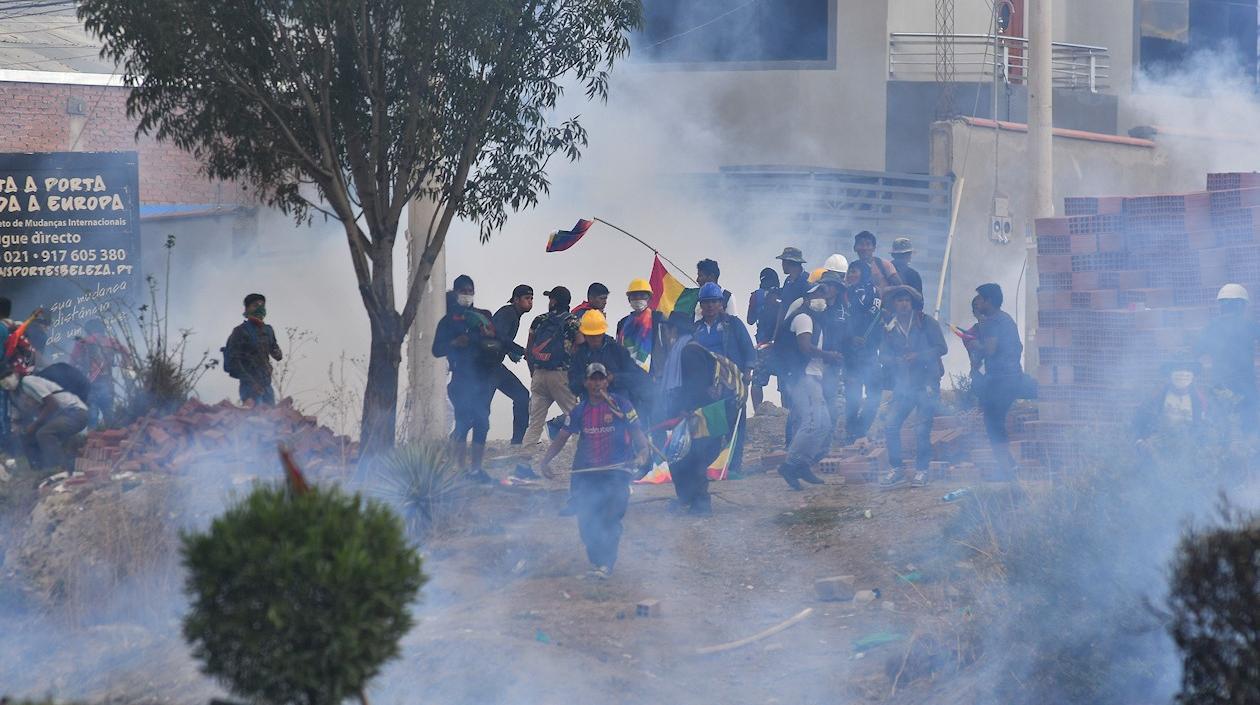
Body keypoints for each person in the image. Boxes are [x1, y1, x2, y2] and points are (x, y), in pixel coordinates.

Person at [538, 362, 649, 580]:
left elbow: (638, 434)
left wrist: (643, 453)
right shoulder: (579, 411)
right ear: (586, 383)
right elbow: (562, 437)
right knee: (587, 522)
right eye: (593, 379)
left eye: (601, 378)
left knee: (610, 519)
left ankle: (605, 564)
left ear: (607, 380)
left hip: (617, 474)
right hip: (588, 474)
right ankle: (597, 563)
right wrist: (545, 461)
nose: (597, 383)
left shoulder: (622, 405)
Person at [432, 275, 499, 483]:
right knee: (462, 422)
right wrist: (454, 342)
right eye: (464, 291)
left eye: (470, 291)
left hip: (482, 379)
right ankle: (461, 471)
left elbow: (496, 342)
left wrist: (487, 335)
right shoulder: (448, 321)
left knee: (482, 423)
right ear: (455, 292)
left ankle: (476, 470)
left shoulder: (482, 317)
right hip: (461, 379)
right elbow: (436, 350)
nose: (467, 295)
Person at [879, 286, 947, 489]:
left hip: (926, 384)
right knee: (891, 425)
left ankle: (922, 470)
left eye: (906, 300)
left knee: (922, 429)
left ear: (912, 303)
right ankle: (896, 468)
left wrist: (918, 356)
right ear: (893, 305)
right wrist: (895, 361)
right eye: (899, 300)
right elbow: (882, 355)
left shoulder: (926, 323)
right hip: (904, 386)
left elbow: (942, 348)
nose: (903, 303)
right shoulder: (889, 328)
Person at [775, 283, 841, 489]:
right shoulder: (803, 317)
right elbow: (805, 348)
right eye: (818, 292)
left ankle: (803, 464)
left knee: (824, 424)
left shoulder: (816, 320)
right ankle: (790, 464)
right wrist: (829, 356)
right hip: (802, 377)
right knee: (812, 422)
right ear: (807, 298)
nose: (823, 296)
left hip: (812, 376)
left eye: (824, 291)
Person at [693, 282, 756, 475]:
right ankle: (712, 468)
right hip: (707, 386)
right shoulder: (695, 330)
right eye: (706, 302)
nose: (710, 306)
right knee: (711, 429)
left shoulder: (733, 324)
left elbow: (749, 350)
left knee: (735, 428)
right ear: (701, 305)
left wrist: (747, 373)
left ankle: (734, 468)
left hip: (732, 383)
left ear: (721, 303)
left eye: (714, 301)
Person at [971, 282, 1024, 480]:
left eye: (981, 299)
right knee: (995, 422)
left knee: (993, 423)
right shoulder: (1005, 319)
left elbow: (990, 349)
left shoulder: (993, 321)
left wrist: (976, 343)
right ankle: (1008, 465)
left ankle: (1006, 470)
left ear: (989, 301)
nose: (979, 303)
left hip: (1002, 381)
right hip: (1010, 378)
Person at [0, 361, 88, 473]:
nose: (6, 380)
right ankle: (39, 469)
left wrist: (34, 425)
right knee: (27, 436)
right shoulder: (12, 395)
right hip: (57, 418)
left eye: (8, 375)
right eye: (2, 378)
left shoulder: (28, 382)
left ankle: (60, 469)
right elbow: (15, 418)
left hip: (74, 412)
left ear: (16, 373)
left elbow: (52, 404)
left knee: (44, 433)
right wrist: (16, 429)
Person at [1195, 283, 1260, 434]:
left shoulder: (1210, 327)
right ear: (1242, 305)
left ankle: (1222, 452)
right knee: (1249, 424)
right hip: (1245, 383)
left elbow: (1196, 352)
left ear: (1221, 305)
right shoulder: (1249, 325)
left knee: (1220, 424)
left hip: (1219, 383)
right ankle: (1251, 452)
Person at [522, 287, 581, 449]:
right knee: (575, 418)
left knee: (534, 424)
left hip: (539, 374)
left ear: (554, 301)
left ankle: (524, 465)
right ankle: (581, 460)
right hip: (561, 376)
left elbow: (528, 350)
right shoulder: (572, 322)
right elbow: (581, 346)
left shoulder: (539, 320)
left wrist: (533, 373)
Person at [842, 260, 884, 444]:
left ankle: (860, 428)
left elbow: (869, 316)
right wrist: (850, 338)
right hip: (850, 355)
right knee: (853, 395)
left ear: (864, 273)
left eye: (854, 271)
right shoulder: (844, 293)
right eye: (849, 271)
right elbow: (843, 323)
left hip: (869, 353)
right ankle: (852, 433)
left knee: (875, 393)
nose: (850, 274)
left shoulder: (873, 292)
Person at [569, 310, 648, 409]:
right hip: (592, 410)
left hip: (619, 408)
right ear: (585, 335)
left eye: (598, 335)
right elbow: (573, 385)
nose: (595, 339)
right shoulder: (580, 355)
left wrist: (614, 378)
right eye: (591, 336)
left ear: (603, 333)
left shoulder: (617, 351)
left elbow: (638, 377)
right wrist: (586, 381)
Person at [1134, 361, 1214, 454]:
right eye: (1178, 369)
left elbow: (1209, 427)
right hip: (1160, 449)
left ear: (1192, 376)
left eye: (1187, 370)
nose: (1183, 374)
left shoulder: (1202, 401)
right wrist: (1140, 442)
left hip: (1191, 451)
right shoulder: (1156, 398)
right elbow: (1140, 421)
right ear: (1170, 375)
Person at [491, 284, 533, 445]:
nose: (530, 302)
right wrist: (521, 351)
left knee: (521, 396)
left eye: (531, 299)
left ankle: (517, 442)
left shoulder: (513, 315)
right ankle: (456, 442)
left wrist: (509, 352)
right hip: (487, 368)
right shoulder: (508, 313)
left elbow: (500, 338)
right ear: (516, 300)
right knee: (478, 411)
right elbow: (499, 336)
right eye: (526, 298)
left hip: (494, 367)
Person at [223, 293, 283, 406]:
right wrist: (252, 382)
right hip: (249, 386)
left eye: (262, 306)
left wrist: (275, 351)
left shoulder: (268, 330)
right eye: (255, 305)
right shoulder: (240, 331)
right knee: (254, 419)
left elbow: (277, 354)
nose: (260, 309)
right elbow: (234, 361)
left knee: (271, 418)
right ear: (247, 309)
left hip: (266, 385)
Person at [70, 319, 129, 428]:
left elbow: (72, 361)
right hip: (108, 383)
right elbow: (125, 352)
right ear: (102, 329)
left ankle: (93, 442)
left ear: (88, 330)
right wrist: (123, 364)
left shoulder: (83, 342)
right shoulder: (111, 341)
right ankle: (113, 438)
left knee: (92, 418)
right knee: (109, 415)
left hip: (89, 384)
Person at [748, 268, 782, 408]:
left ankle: (757, 413)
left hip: (762, 345)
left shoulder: (757, 296)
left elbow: (750, 320)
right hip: (781, 345)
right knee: (785, 381)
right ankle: (788, 412)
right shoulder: (783, 294)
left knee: (756, 381)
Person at [890, 237, 924, 310]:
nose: (904, 258)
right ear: (894, 256)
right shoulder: (885, 271)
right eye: (900, 255)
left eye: (907, 254)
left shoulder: (914, 275)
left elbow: (920, 302)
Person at [776, 246, 811, 312]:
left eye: (784, 262)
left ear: (792, 263)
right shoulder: (788, 280)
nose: (782, 265)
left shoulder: (807, 280)